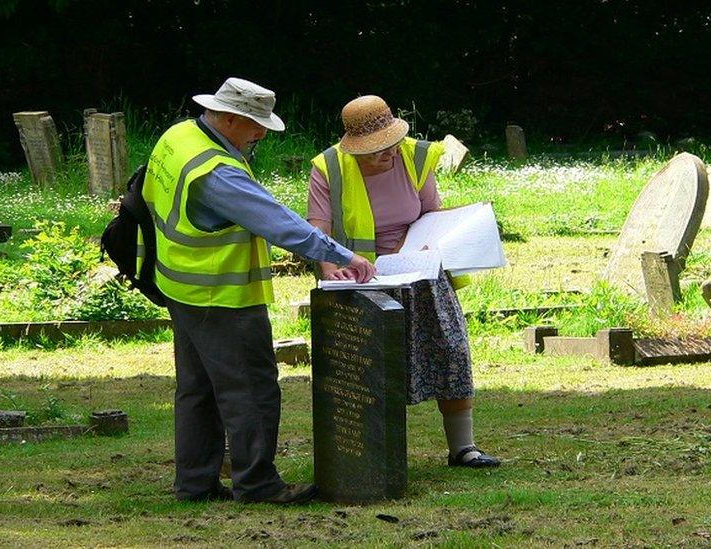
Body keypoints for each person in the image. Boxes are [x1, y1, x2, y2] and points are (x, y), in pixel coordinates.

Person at [143, 78, 375, 504]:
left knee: (197, 389)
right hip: (222, 296)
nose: (261, 134)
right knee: (251, 390)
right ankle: (256, 484)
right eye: (255, 124)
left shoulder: (180, 135)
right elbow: (277, 221)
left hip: (179, 283)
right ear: (228, 118)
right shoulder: (217, 173)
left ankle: (194, 484)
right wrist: (342, 256)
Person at [307, 95, 500, 468]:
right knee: (366, 367)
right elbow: (318, 227)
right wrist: (328, 268)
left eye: (393, 143)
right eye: (378, 150)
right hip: (360, 280)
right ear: (355, 151)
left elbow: (432, 214)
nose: (390, 153)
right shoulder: (328, 167)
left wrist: (428, 244)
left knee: (451, 352)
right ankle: (367, 455)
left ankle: (463, 447)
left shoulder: (414, 156)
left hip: (421, 275)